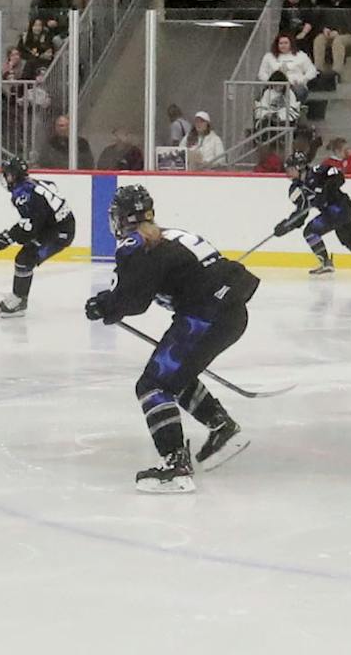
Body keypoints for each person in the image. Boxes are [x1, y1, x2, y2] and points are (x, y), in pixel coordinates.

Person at [85, 185, 261, 493]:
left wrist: (105, 306)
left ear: (120, 218)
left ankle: (176, 466)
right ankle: (223, 429)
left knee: (152, 384)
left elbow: (132, 300)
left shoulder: (135, 243)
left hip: (204, 317)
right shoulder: (171, 234)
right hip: (231, 314)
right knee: (175, 375)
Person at [272, 151, 351, 276]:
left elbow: (339, 177)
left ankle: (326, 263)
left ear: (299, 167)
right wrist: (286, 226)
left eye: (290, 169)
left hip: (340, 208)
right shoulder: (296, 189)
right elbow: (301, 214)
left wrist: (326, 190)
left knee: (310, 232)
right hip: (339, 212)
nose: (287, 173)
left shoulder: (318, 171)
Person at [0, 157, 75, 317]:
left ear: (13, 176)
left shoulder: (23, 194)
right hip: (56, 226)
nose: (5, 178)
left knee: (25, 258)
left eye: (6, 175)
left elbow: (31, 226)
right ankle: (19, 297)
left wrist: (8, 237)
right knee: (24, 257)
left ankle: (20, 300)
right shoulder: (34, 184)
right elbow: (37, 219)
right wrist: (10, 236)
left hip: (60, 231)